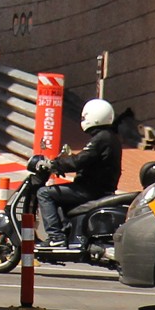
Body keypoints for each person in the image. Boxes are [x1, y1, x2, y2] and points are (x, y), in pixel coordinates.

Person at [36, 97, 123, 248]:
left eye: (85, 117)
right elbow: (87, 159)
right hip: (98, 187)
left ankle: (55, 236)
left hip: (90, 189)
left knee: (44, 193)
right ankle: (67, 231)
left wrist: (55, 164)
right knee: (60, 194)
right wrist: (62, 165)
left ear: (94, 117)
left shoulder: (101, 138)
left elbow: (80, 160)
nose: (83, 120)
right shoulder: (109, 137)